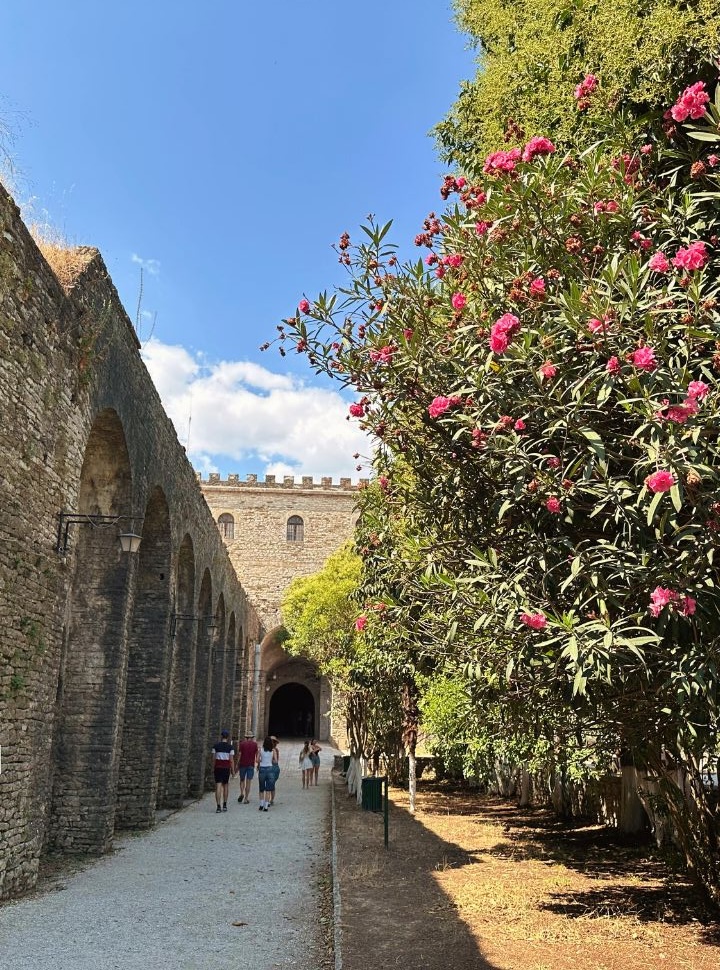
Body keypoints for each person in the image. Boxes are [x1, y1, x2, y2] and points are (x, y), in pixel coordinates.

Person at [211, 730, 235, 813]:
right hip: (226, 768)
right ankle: (225, 804)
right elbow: (231, 760)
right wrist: (233, 771)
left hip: (218, 768)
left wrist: (213, 768)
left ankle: (218, 806)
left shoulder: (216, 746)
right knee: (226, 786)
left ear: (221, 736)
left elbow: (214, 759)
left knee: (218, 786)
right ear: (228, 737)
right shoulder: (230, 747)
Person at [235, 730, 258, 804]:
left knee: (242, 780)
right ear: (252, 737)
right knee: (248, 782)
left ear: (246, 737)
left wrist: (237, 764)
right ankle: (246, 798)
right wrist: (258, 765)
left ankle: (242, 793)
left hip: (242, 764)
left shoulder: (242, 744)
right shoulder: (255, 745)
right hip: (251, 764)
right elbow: (256, 756)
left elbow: (239, 755)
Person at [256, 735, 278, 811]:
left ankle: (261, 804)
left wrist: (262, 760)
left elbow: (257, 760)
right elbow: (276, 761)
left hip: (262, 769)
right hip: (270, 769)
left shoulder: (260, 750)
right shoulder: (273, 750)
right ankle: (266, 806)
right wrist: (270, 760)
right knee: (268, 789)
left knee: (261, 788)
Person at [269, 736, 281, 806]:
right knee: (270, 784)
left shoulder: (275, 750)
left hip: (274, 768)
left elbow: (276, 761)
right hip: (269, 768)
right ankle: (270, 798)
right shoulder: (266, 749)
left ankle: (271, 799)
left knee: (272, 784)